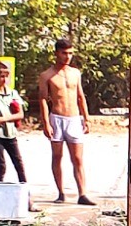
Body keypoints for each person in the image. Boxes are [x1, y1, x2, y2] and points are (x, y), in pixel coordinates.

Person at [37, 38, 94, 205]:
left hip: (74, 118)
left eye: (70, 53)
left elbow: (80, 96)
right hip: (57, 118)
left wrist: (87, 118)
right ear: (56, 53)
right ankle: (61, 192)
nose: (67, 56)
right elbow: (42, 100)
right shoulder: (47, 75)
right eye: (64, 53)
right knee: (57, 156)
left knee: (77, 158)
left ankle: (82, 193)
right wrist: (46, 123)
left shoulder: (75, 73)